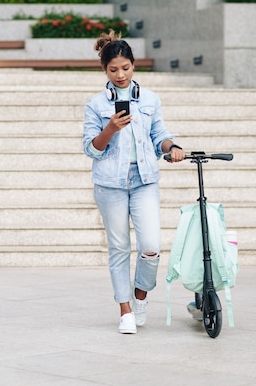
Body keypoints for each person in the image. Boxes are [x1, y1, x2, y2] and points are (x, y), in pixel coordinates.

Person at [82, 30, 185, 334]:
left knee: (151, 245)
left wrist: (171, 149)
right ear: (104, 70)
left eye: (125, 68)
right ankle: (125, 309)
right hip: (110, 183)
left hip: (144, 180)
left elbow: (159, 138)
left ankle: (141, 294)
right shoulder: (96, 103)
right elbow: (91, 148)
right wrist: (110, 129)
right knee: (118, 247)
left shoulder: (150, 100)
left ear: (133, 65)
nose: (120, 75)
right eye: (113, 69)